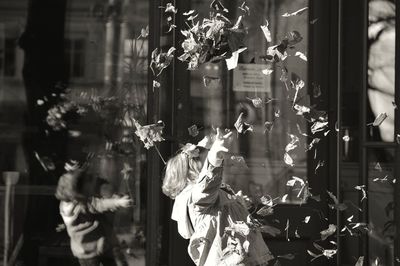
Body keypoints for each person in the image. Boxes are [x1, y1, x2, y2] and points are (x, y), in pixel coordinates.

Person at [162, 128, 275, 266]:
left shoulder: (212, 195)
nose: (220, 168)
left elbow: (221, 212)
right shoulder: (197, 197)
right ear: (193, 173)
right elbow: (207, 184)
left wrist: (238, 203)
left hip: (240, 256)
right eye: (204, 164)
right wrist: (214, 157)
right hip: (227, 260)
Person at [55, 166, 132, 266]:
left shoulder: (65, 204)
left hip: (81, 250)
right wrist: (118, 202)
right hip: (96, 247)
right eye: (89, 183)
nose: (92, 185)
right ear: (80, 191)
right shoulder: (83, 205)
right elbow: (99, 204)